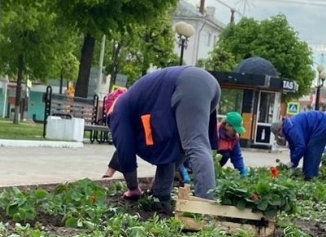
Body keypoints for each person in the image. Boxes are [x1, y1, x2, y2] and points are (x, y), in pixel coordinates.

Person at [107, 66, 220, 212]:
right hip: (206, 83)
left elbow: (124, 149)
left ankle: (204, 210)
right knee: (181, 144)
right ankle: (162, 197)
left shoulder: (117, 110)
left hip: (187, 84)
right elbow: (165, 149)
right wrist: (160, 190)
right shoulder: (140, 101)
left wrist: (133, 187)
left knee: (195, 145)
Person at [271, 110, 326, 180]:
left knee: (312, 150)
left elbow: (300, 146)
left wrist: (293, 162)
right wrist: (293, 165)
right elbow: (293, 148)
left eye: (279, 135)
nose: (281, 136)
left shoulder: (291, 128)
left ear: (279, 129)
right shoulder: (288, 128)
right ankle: (307, 175)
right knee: (310, 149)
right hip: (321, 123)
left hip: (324, 123)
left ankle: (311, 178)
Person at [216, 112, 250, 176]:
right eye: (234, 130)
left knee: (225, 155)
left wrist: (242, 170)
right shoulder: (214, 132)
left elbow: (236, 156)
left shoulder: (234, 138)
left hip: (218, 160)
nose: (235, 133)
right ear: (227, 126)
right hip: (207, 158)